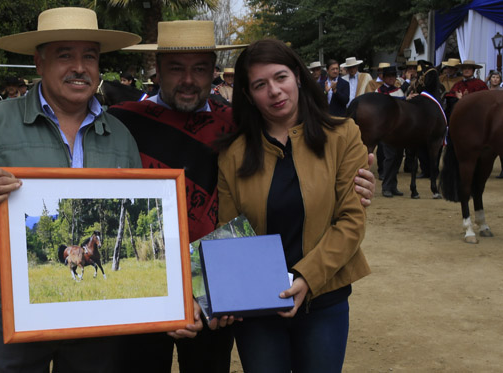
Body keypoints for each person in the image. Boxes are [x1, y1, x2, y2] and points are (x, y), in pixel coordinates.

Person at [110, 21, 376, 373]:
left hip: (244, 297)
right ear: (156, 70)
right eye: (176, 69)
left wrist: (209, 295)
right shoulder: (122, 122)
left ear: (213, 72)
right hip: (150, 286)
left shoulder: (232, 127)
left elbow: (229, 227)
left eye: (200, 69)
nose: (189, 79)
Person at [0, 7, 143, 372]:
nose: (79, 67)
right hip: (13, 308)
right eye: (64, 55)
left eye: (89, 56)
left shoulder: (120, 137)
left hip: (98, 315)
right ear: (39, 62)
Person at [216, 38, 370, 372]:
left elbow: (350, 222)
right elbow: (228, 233)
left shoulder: (343, 136)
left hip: (324, 300)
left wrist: (306, 278)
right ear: (247, 95)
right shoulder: (233, 154)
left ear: (298, 76)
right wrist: (226, 291)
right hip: (257, 308)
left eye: (280, 77)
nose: (274, 90)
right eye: (260, 84)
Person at [377, 66, 407, 198]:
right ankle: (386, 186)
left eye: (393, 76)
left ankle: (393, 185)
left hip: (399, 129)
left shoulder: (399, 91)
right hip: (387, 129)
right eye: (389, 76)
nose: (391, 79)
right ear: (384, 77)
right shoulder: (378, 91)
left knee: (398, 158)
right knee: (389, 158)